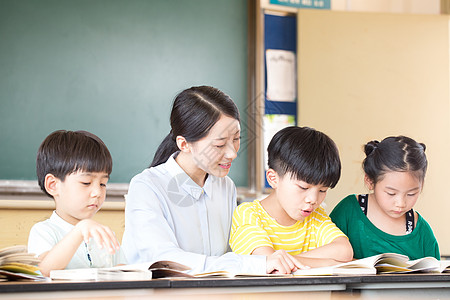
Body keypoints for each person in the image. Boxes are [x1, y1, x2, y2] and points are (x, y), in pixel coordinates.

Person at [122, 86, 304, 275]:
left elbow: (233, 249)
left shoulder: (225, 186)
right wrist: (254, 264)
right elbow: (165, 261)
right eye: (219, 144)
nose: (232, 153)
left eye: (236, 139)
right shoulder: (147, 187)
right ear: (184, 144)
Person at [229, 126, 353, 268]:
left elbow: (344, 251)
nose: (313, 199)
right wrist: (326, 262)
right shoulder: (248, 214)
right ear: (273, 179)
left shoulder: (315, 217)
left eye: (322, 190)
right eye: (303, 187)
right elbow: (268, 262)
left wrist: (286, 259)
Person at [28, 130, 126, 277]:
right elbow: (43, 271)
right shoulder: (43, 231)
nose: (97, 192)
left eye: (103, 184)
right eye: (86, 183)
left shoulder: (105, 234)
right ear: (53, 185)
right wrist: (79, 231)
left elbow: (123, 270)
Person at [330, 136, 440, 260]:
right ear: (370, 181)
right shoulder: (348, 212)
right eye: (391, 193)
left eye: (411, 194)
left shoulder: (422, 232)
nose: (401, 203)